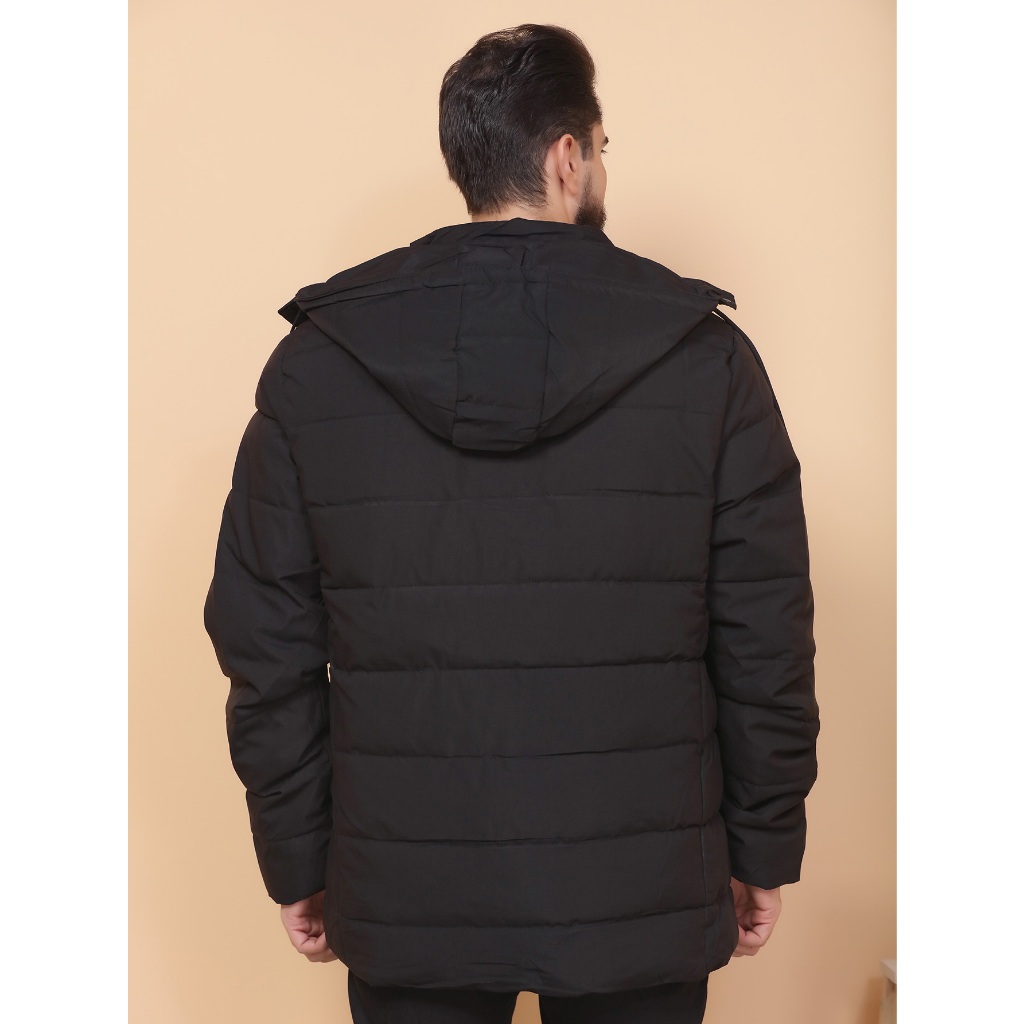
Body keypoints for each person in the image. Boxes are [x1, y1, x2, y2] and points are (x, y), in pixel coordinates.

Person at [203, 22, 819, 1024]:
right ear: (567, 156)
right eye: (601, 147)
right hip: (640, 892)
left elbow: (266, 647)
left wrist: (298, 854)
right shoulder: (708, 362)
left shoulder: (316, 367)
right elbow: (765, 639)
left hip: (407, 892)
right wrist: (762, 844)